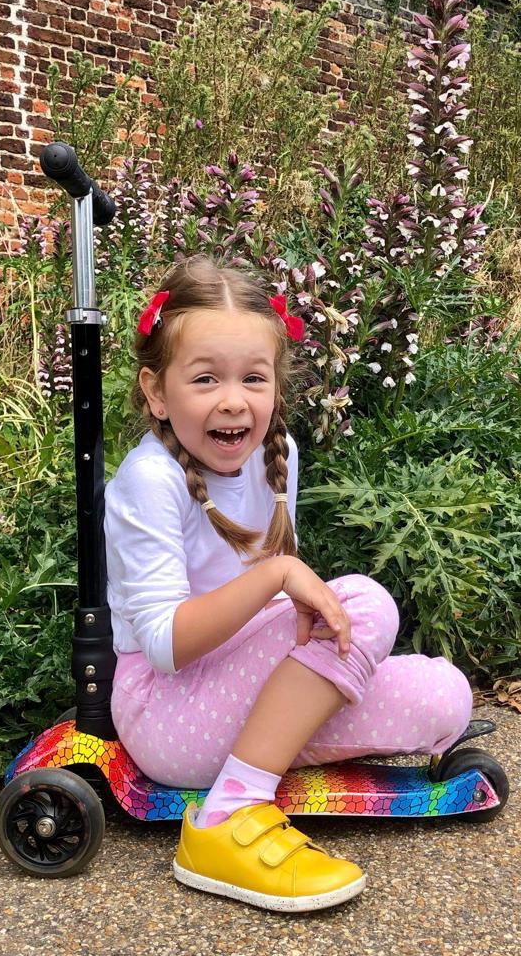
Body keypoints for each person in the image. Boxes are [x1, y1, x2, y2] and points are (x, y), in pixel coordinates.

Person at [105, 254, 473, 913]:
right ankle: (231, 815)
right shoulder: (148, 480)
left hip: (243, 691)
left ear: (276, 385)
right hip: (168, 711)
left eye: (253, 377)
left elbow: (284, 615)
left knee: (445, 697)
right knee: (364, 603)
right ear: (157, 392)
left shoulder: (279, 456)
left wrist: (294, 598)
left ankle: (258, 758)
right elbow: (163, 645)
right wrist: (280, 574)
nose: (232, 399)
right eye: (205, 378)